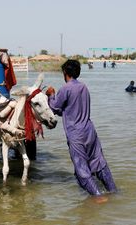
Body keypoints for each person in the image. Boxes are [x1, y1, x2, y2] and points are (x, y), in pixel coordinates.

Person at [46, 59, 117, 196]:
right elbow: (68, 110)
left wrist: (51, 94)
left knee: (81, 168)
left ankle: (98, 196)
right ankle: (113, 191)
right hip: (90, 131)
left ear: (65, 72)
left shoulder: (65, 88)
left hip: (76, 134)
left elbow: (54, 107)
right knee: (99, 162)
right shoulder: (83, 87)